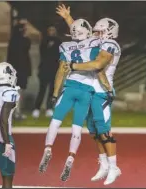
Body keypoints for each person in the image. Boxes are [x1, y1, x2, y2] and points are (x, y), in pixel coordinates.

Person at [56, 4, 121, 185]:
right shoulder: (98, 41)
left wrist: (74, 66)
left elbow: (97, 65)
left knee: (104, 130)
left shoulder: (111, 45)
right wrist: (68, 18)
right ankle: (104, 163)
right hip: (91, 91)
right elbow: (83, 33)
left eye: (100, 32)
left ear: (109, 32)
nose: (96, 35)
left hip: (102, 92)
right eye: (96, 32)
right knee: (93, 131)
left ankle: (114, 167)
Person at [38, 19, 105, 182]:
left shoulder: (66, 46)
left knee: (55, 121)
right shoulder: (94, 43)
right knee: (76, 128)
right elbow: (98, 65)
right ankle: (71, 157)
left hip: (69, 88)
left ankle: (48, 149)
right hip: (87, 90)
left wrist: (55, 93)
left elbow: (61, 71)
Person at [32, 26, 62, 118]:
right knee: (42, 90)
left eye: (53, 30)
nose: (51, 32)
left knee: (52, 90)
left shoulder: (58, 42)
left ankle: (49, 108)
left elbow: (59, 55)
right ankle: (37, 108)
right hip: (44, 69)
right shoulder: (44, 42)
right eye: (50, 30)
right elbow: (43, 53)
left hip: (54, 69)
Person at [7, 19, 31, 120]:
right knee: (18, 91)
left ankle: (16, 112)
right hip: (20, 69)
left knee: (15, 91)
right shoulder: (23, 41)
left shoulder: (13, 40)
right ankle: (17, 112)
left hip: (16, 69)